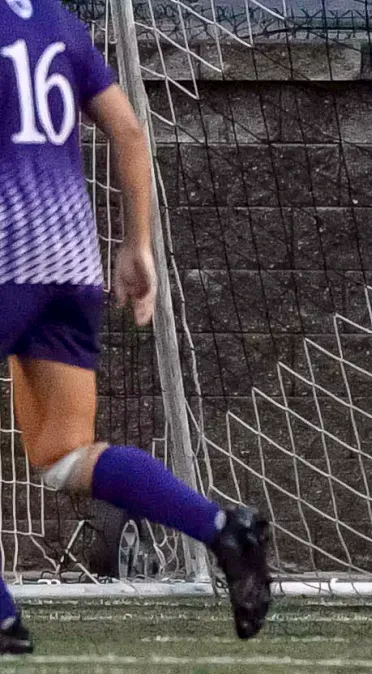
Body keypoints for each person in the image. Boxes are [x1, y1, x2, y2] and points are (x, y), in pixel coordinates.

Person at [0, 0, 271, 651]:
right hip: (70, 259)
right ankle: (223, 528)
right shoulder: (59, 21)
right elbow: (127, 130)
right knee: (63, 455)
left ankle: (4, 619)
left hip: (7, 249)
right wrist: (137, 245)